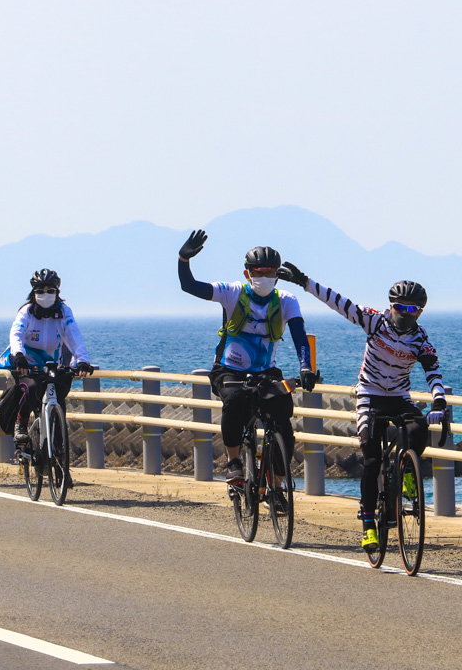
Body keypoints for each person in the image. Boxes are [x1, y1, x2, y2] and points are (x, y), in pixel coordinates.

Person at [276, 262, 447, 552]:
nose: (404, 314)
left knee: (420, 430)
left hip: (399, 397)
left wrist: (439, 400)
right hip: (369, 395)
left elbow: (433, 371)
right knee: (371, 461)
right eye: (399, 307)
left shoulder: (420, 339)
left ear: (420, 312)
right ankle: (369, 525)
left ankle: (406, 473)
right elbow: (338, 302)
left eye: (411, 310)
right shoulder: (374, 321)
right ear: (390, 306)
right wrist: (304, 281)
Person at [177, 231, 316, 490]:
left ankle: (276, 485)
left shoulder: (286, 300)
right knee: (234, 400)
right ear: (247, 274)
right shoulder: (231, 292)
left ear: (277, 274)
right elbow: (190, 286)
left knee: (283, 420)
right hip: (229, 370)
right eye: (258, 272)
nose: (264, 278)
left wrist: (306, 367)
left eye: (270, 272)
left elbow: (299, 335)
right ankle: (233, 462)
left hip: (266, 372)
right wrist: (183, 260)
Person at [0, 269, 93, 452]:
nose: (45, 295)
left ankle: (58, 458)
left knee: (59, 401)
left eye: (51, 290)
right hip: (26, 364)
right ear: (33, 292)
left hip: (51, 365)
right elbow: (16, 334)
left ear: (58, 292)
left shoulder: (64, 312)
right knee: (30, 387)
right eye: (40, 291)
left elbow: (74, 336)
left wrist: (82, 360)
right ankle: (21, 424)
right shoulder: (26, 312)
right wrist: (19, 356)